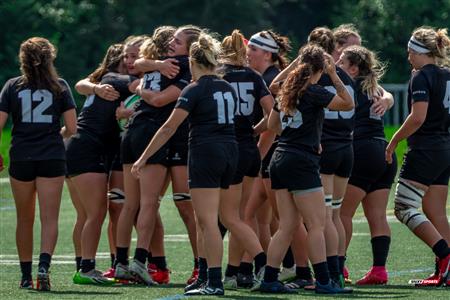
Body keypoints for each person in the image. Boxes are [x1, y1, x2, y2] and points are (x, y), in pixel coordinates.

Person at [132, 32, 239, 296]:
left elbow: (169, 127)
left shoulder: (194, 89)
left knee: (207, 221)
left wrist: (143, 157)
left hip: (206, 153)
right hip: (230, 151)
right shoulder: (226, 86)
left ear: (193, 62)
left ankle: (213, 281)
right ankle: (205, 276)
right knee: (215, 220)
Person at [261, 44, 354, 294]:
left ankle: (269, 278)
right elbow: (347, 104)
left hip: (280, 157)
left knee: (287, 225)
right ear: (319, 69)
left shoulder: (287, 90)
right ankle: (324, 281)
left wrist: (295, 135)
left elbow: (273, 124)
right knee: (316, 224)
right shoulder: (314, 91)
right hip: (301, 160)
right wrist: (334, 75)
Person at [114, 26, 199, 286]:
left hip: (142, 132)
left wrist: (142, 87)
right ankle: (142, 261)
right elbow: (159, 98)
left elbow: (139, 74)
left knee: (137, 204)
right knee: (154, 203)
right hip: (157, 134)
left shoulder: (171, 64)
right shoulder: (168, 63)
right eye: (171, 40)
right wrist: (155, 68)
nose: (173, 43)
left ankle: (125, 263)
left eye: (177, 40)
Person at [0, 37, 77, 291]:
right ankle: (43, 266)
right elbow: (72, 127)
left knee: (24, 219)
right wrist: (55, 135)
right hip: (51, 157)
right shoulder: (61, 86)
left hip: (22, 156)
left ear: (23, 60)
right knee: (49, 218)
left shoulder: (12, 86)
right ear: (50, 59)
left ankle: (24, 276)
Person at [66, 43, 139, 284]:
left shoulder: (102, 80)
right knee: (96, 213)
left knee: (87, 215)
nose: (132, 62)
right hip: (87, 149)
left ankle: (85, 267)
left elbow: (81, 84)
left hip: (84, 148)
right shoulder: (117, 80)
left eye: (135, 57)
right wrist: (157, 66)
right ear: (120, 62)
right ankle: (86, 269)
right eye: (128, 58)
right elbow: (143, 87)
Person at [385, 26, 450, 287]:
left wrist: (394, 140)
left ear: (416, 51)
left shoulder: (422, 76)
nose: (407, 56)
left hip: (426, 148)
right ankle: (446, 271)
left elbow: (418, 117)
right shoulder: (447, 74)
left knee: (403, 207)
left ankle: (446, 258)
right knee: (435, 211)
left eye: (409, 52)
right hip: (445, 147)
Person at [242, 29, 302, 286]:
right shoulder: (264, 76)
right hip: (275, 156)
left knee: (286, 220)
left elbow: (272, 124)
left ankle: (300, 270)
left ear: (268, 54)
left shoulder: (268, 79)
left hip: (272, 156)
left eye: (253, 49)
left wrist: (256, 157)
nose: (248, 53)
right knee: (261, 218)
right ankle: (267, 266)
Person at [217, 29, 274, 290]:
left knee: (223, 217)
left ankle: (251, 265)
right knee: (242, 215)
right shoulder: (253, 76)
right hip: (249, 150)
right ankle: (236, 271)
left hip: (227, 149)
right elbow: (275, 114)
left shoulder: (218, 76)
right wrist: (256, 130)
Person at [337, 45, 396, 285]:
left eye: (342, 62)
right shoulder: (373, 86)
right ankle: (379, 270)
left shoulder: (348, 86)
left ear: (353, 68)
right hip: (382, 150)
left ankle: (338, 268)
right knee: (378, 216)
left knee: (341, 214)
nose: (338, 64)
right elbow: (387, 96)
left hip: (362, 150)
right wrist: (389, 100)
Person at [308, 27, 356, 286]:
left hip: (324, 149)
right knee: (335, 215)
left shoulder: (315, 78)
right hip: (346, 149)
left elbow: (277, 87)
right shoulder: (346, 77)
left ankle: (329, 275)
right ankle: (338, 271)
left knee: (324, 217)